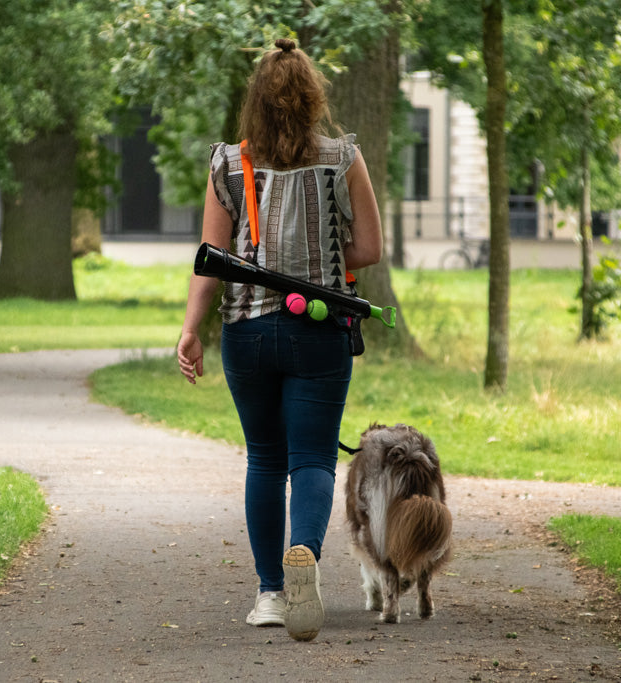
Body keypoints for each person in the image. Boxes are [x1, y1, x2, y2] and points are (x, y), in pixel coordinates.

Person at [176, 38, 382, 642]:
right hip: (320, 329)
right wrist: (321, 261)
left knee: (265, 459)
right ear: (313, 96)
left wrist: (190, 331)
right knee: (313, 458)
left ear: (256, 103)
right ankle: (305, 561)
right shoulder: (343, 158)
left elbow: (211, 263)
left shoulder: (227, 163)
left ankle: (270, 593)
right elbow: (368, 249)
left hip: (247, 332)